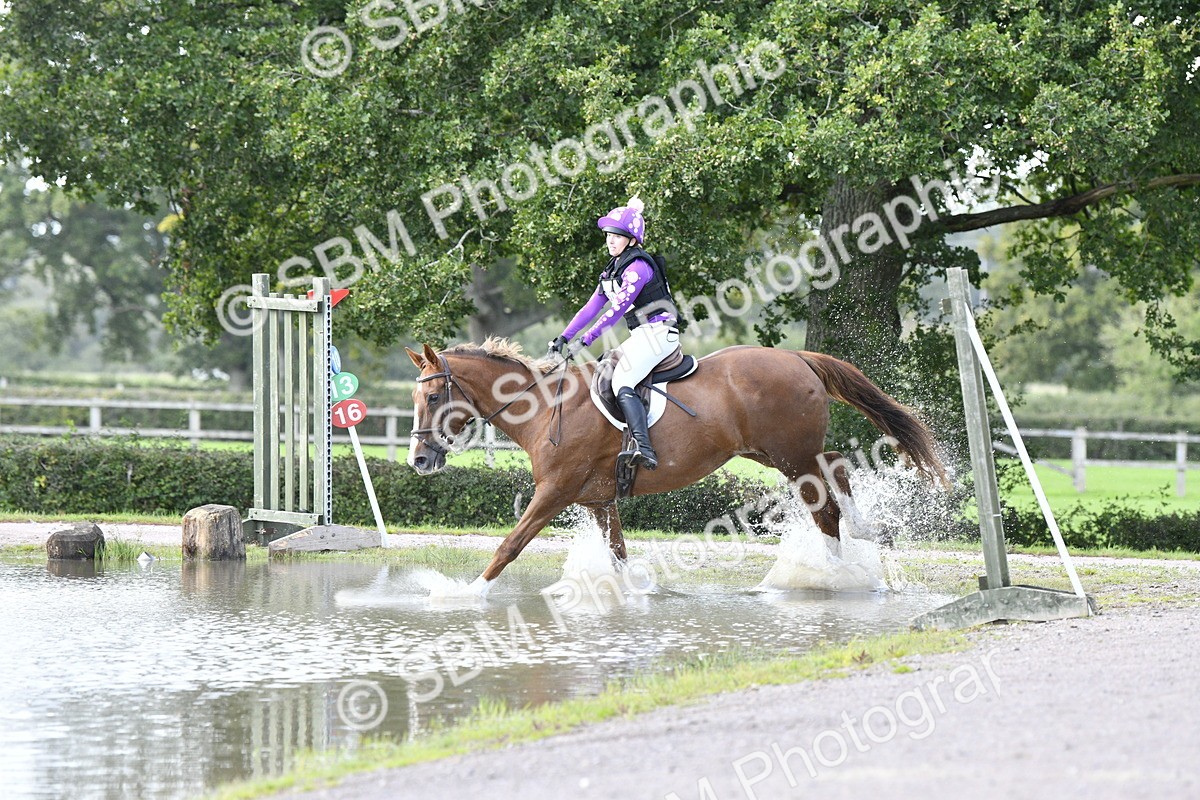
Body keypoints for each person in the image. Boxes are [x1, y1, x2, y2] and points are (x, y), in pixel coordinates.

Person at [547, 197, 679, 470]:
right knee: (603, 370)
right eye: (609, 235)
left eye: (617, 235)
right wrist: (564, 337)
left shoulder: (638, 267)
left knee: (622, 382)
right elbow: (590, 308)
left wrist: (586, 340)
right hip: (643, 334)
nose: (610, 240)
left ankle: (645, 449)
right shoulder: (611, 270)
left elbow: (616, 311)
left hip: (660, 334)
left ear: (631, 240)